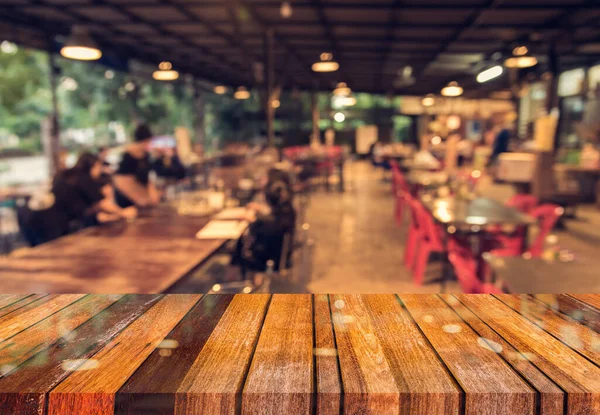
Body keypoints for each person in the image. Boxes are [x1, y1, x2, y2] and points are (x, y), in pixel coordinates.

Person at [19, 152, 137, 246]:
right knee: (54, 251)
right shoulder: (84, 178)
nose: (99, 171)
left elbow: (89, 208)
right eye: (98, 167)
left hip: (28, 213)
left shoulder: (67, 174)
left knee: (41, 252)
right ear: (93, 165)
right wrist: (123, 212)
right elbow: (101, 204)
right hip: (48, 217)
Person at [229, 170, 297, 281]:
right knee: (240, 243)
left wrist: (255, 221)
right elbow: (275, 220)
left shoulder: (277, 216)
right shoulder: (286, 208)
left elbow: (267, 228)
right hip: (278, 253)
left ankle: (236, 283)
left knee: (238, 248)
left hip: (270, 258)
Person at [113, 124, 161, 208]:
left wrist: (152, 194)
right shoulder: (127, 156)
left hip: (142, 198)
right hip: (127, 201)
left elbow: (147, 178)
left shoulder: (146, 155)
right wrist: (141, 199)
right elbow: (122, 182)